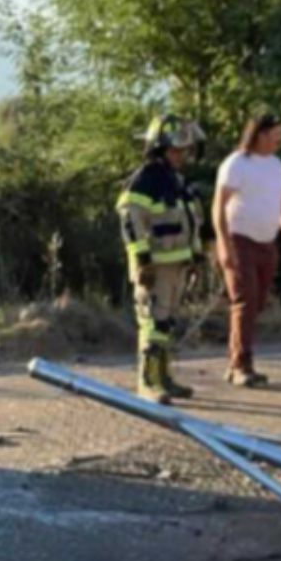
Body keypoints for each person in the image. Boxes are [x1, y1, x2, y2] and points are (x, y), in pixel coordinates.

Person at [116, 114, 207, 404]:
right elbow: (130, 219)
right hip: (154, 266)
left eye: (184, 150)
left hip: (175, 264)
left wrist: (194, 256)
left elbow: (190, 220)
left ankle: (164, 377)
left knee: (166, 324)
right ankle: (149, 383)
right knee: (153, 324)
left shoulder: (175, 181)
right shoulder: (146, 180)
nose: (182, 155)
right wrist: (142, 261)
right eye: (176, 150)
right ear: (159, 149)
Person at [212, 113, 281, 387]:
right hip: (239, 240)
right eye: (275, 135)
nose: (279, 140)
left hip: (267, 243)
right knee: (245, 301)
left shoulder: (277, 166)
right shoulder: (236, 164)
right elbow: (218, 206)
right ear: (260, 135)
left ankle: (235, 361)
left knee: (257, 303)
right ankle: (241, 366)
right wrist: (224, 244)